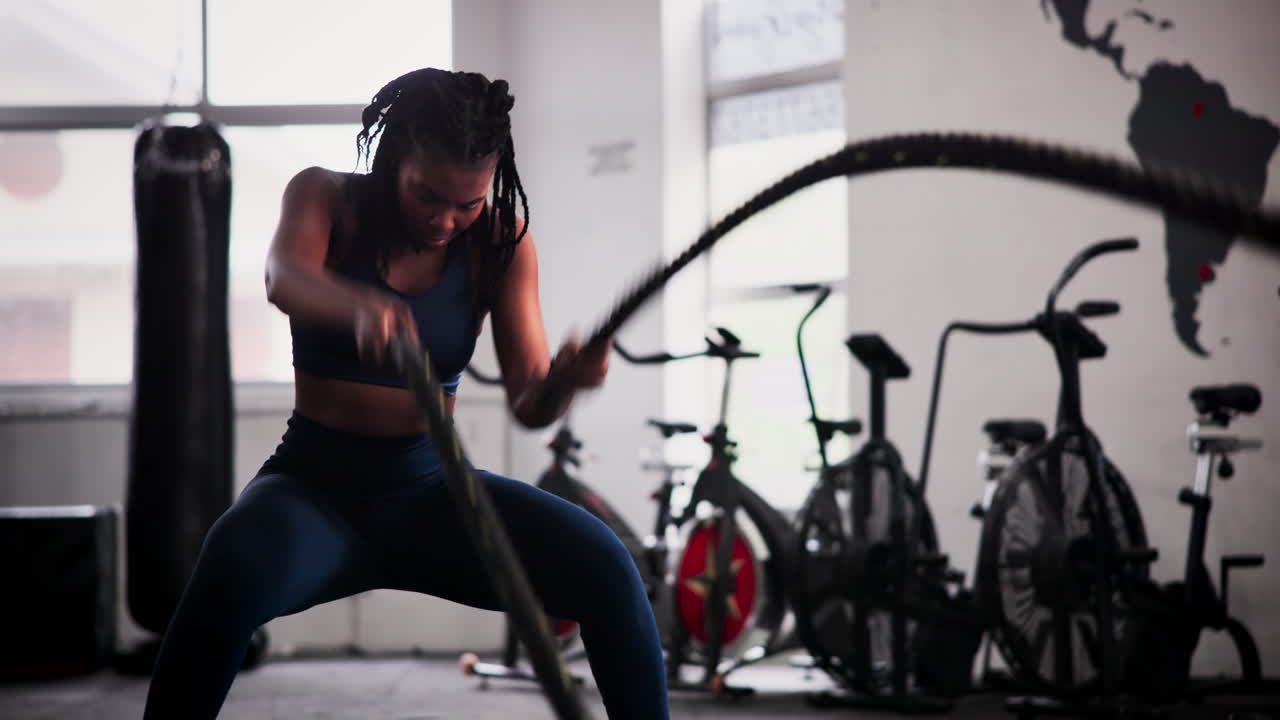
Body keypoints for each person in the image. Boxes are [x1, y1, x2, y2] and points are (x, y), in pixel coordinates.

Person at [143, 67, 670, 719]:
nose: (446, 220)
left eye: (467, 202)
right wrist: (355, 307)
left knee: (607, 570)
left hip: (433, 496)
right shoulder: (325, 197)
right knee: (228, 569)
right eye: (428, 195)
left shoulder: (500, 242)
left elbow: (530, 402)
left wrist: (569, 382)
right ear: (395, 158)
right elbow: (285, 276)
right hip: (314, 493)